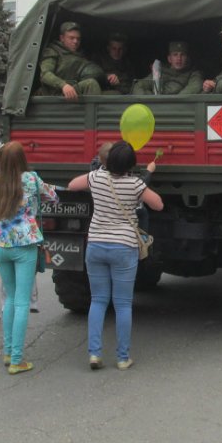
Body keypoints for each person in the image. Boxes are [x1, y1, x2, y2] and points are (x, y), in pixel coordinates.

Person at [68, 141, 163, 371]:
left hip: (96, 246)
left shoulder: (96, 178)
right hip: (123, 248)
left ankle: (94, 354)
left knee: (98, 301)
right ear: (131, 163)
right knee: (122, 305)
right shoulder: (136, 184)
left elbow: (71, 185)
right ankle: (122, 357)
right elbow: (158, 205)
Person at [0, 142, 59, 373]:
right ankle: (17, 360)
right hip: (25, 243)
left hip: (0, 243)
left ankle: (8, 351)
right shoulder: (31, 179)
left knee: (10, 299)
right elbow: (52, 195)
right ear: (22, 159)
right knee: (22, 301)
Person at [38, 21, 102, 98]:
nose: (75, 41)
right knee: (91, 84)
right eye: (71, 38)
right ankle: (92, 110)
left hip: (74, 91)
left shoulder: (79, 55)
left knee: (113, 93)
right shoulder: (53, 51)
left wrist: (107, 76)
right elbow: (45, 74)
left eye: (78, 39)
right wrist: (63, 85)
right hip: (56, 94)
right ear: (62, 38)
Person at [131, 41, 205, 95]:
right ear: (169, 59)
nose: (179, 58)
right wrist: (151, 100)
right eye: (175, 55)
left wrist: (171, 102)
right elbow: (138, 86)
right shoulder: (160, 72)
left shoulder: (194, 74)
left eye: (182, 55)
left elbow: (193, 89)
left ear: (187, 58)